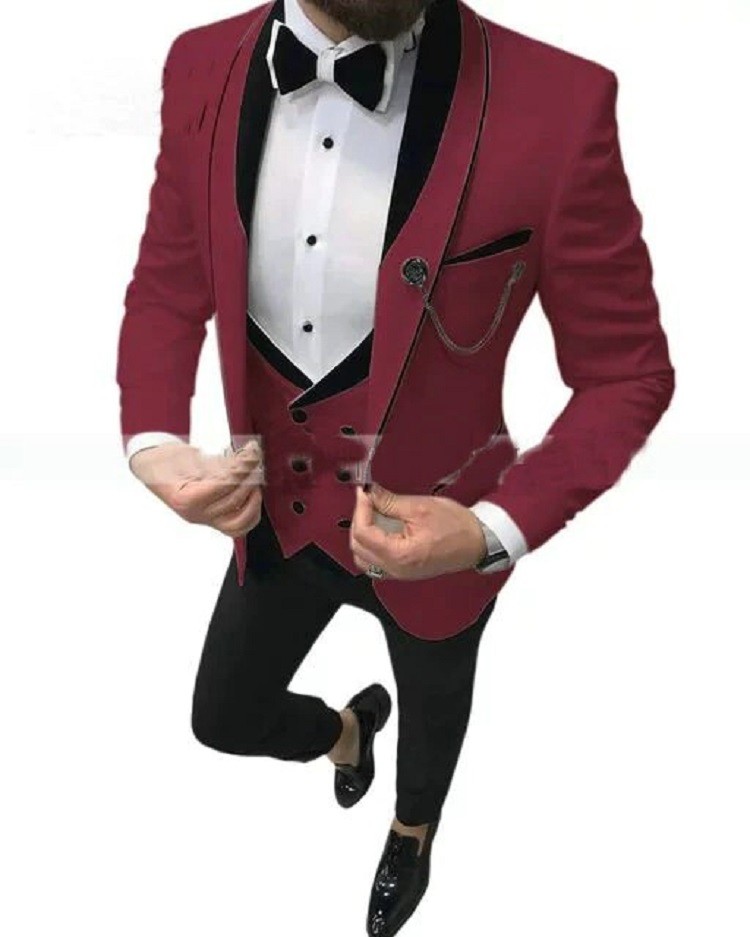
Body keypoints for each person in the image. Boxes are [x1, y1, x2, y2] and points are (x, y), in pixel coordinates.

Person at [116, 0, 675, 933]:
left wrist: (493, 529)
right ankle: (347, 731)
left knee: (432, 736)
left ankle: (413, 833)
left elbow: (627, 373)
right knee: (223, 716)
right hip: (278, 517)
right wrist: (152, 438)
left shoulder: (561, 101)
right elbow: (170, 283)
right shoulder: (199, 64)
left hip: (447, 540)